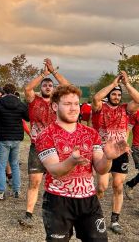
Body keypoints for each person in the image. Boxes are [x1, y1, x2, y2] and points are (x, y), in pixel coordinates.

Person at [35, 84, 129, 242]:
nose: (73, 108)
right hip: (58, 200)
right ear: (54, 106)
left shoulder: (91, 133)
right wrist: (72, 161)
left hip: (88, 200)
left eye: (75, 104)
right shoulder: (45, 135)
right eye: (67, 104)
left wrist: (108, 157)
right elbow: (54, 170)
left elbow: (100, 169)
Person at [19, 58, 69, 227]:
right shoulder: (34, 101)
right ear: (41, 88)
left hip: (56, 148)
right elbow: (27, 88)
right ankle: (28, 214)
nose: (48, 87)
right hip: (37, 147)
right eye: (45, 85)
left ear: (54, 89)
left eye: (50, 85)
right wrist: (43, 74)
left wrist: (54, 72)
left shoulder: (58, 102)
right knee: (34, 181)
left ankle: (58, 213)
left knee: (57, 181)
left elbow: (68, 86)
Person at [92, 71, 139, 234]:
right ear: (110, 95)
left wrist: (126, 84)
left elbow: (138, 100)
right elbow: (96, 98)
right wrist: (113, 84)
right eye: (114, 94)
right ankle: (94, 216)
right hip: (103, 152)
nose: (117, 96)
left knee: (118, 186)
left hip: (121, 153)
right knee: (102, 186)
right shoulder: (100, 108)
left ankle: (114, 220)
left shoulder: (126, 110)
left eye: (119, 95)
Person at [0, 83, 29, 200]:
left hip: (3, 138)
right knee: (14, 164)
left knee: (1, 165)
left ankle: (1, 192)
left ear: (4, 92)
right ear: (15, 92)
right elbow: (28, 117)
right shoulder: (20, 104)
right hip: (16, 138)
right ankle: (16, 191)